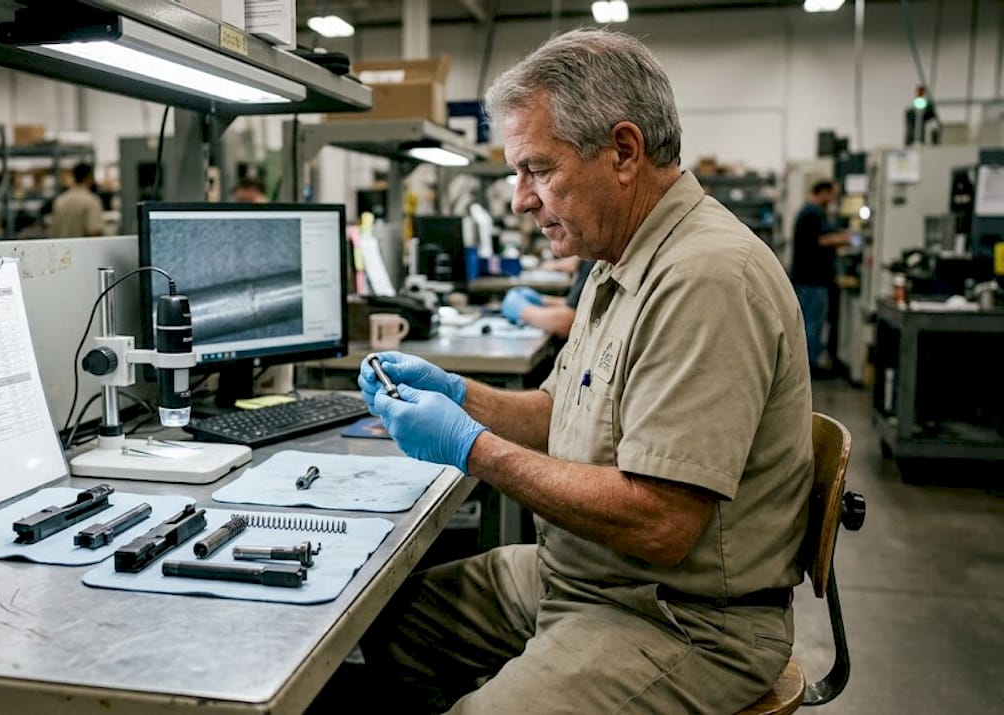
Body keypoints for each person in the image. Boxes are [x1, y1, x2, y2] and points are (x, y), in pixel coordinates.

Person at [356, 28, 814, 714]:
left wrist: (472, 449)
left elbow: (661, 520)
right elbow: (557, 412)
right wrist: (458, 394)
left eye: (537, 170)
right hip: (590, 577)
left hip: (682, 619)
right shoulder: (618, 262)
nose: (519, 198)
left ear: (624, 152)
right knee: (388, 623)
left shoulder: (705, 276)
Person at [790, 179, 852, 372]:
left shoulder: (811, 212)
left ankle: (809, 362)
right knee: (812, 322)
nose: (833, 199)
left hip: (807, 277)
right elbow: (821, 240)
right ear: (823, 193)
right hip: (812, 279)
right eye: (832, 194)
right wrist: (847, 239)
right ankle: (810, 365)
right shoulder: (813, 213)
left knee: (809, 320)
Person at [499, 259, 595, 337]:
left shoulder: (594, 260)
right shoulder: (586, 258)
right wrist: (542, 300)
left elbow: (569, 321)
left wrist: (524, 311)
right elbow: (578, 303)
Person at [50, 162, 104, 237]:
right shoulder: (91, 201)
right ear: (88, 178)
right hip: (83, 248)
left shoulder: (60, 200)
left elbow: (54, 231)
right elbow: (94, 232)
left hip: (63, 248)